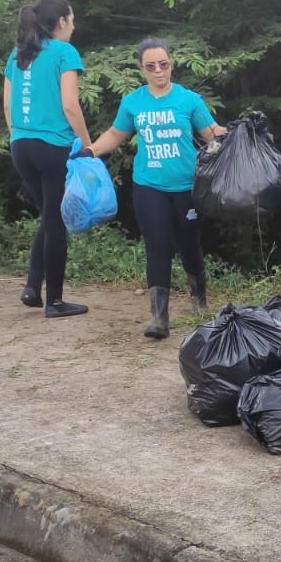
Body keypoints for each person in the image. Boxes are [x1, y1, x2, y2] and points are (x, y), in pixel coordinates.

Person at [82, 38, 226, 338]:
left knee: (188, 244)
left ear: (171, 64)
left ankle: (198, 295)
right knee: (157, 245)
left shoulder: (189, 100)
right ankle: (159, 318)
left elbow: (213, 134)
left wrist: (242, 130)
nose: (158, 71)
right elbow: (115, 134)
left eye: (163, 64)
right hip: (149, 185)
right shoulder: (134, 102)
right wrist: (90, 151)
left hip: (187, 186)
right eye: (151, 66)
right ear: (142, 69)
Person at [4, 0, 93, 318]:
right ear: (61, 22)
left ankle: (32, 287)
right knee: (56, 222)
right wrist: (88, 145)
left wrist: (19, 136)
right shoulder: (64, 52)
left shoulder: (18, 55)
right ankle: (54, 301)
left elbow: (7, 106)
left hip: (20, 145)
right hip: (52, 147)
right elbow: (70, 105)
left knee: (48, 215)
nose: (74, 25)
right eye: (72, 19)